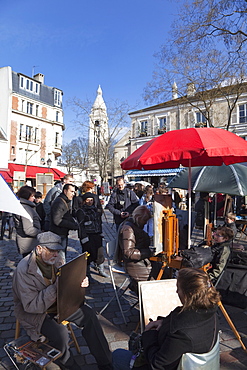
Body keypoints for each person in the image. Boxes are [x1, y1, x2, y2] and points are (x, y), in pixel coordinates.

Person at [12, 231, 112, 370]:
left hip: (59, 304)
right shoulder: (24, 270)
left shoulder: (57, 259)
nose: (56, 254)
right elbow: (31, 306)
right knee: (61, 334)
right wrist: (56, 287)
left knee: (89, 316)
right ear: (39, 249)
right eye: (52, 250)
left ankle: (105, 363)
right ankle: (70, 367)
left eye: (58, 250)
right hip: (37, 314)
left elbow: (66, 282)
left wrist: (79, 281)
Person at [112, 268, 220, 370]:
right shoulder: (210, 312)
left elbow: (157, 364)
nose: (177, 292)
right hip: (184, 359)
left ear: (189, 294)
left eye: (179, 288)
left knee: (117, 356)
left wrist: (149, 333)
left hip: (167, 364)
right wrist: (163, 322)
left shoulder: (182, 333)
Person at [116, 205, 156, 294]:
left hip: (139, 261)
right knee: (154, 282)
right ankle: (138, 289)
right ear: (138, 218)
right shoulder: (128, 229)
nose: (145, 223)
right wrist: (148, 252)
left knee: (159, 271)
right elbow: (128, 253)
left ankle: (136, 287)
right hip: (133, 264)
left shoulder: (133, 225)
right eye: (144, 220)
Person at [76, 192, 109, 278]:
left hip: (97, 234)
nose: (90, 202)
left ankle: (101, 269)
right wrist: (83, 237)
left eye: (91, 200)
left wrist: (101, 232)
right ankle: (87, 273)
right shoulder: (81, 211)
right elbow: (81, 224)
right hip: (87, 235)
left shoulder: (96, 209)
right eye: (88, 200)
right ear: (84, 201)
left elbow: (99, 222)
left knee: (100, 253)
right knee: (87, 254)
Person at [50, 183, 78, 255]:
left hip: (63, 232)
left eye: (74, 192)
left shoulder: (66, 200)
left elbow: (67, 215)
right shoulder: (59, 202)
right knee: (60, 257)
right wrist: (72, 225)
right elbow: (57, 220)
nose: (73, 194)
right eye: (71, 191)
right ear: (65, 191)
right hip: (58, 233)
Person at [14, 185, 41, 257]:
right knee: (30, 265)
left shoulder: (25, 206)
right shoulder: (26, 208)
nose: (34, 198)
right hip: (28, 243)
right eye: (32, 196)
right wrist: (40, 233)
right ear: (27, 196)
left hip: (27, 242)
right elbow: (28, 230)